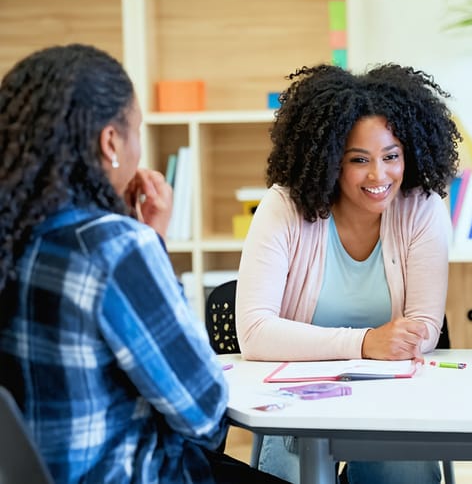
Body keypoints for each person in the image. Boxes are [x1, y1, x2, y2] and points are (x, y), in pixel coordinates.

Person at [0, 44, 286, 483]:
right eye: (137, 130)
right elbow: (206, 415)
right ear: (110, 142)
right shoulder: (114, 248)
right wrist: (151, 243)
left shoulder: (14, 236)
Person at [235, 63, 460, 484]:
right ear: (328, 159)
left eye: (391, 156)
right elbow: (254, 331)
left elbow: (426, 326)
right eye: (359, 160)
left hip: (393, 396)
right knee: (296, 468)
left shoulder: (421, 207)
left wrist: (398, 343)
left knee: (405, 474)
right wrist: (365, 342)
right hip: (298, 398)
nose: (380, 176)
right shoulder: (284, 208)